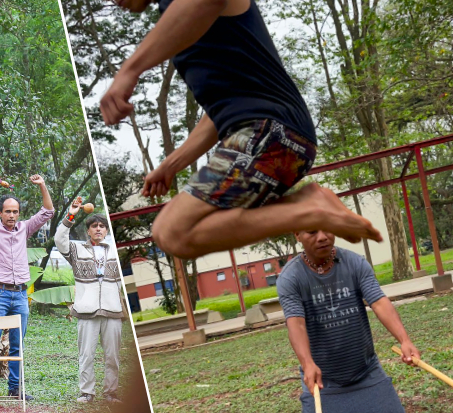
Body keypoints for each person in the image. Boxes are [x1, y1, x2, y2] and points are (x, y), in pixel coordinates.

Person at [102, 0, 381, 260]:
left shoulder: (190, 8)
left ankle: (310, 214)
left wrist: (130, 70)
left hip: (269, 131)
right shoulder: (177, 14)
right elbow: (221, 111)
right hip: (267, 132)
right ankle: (309, 201)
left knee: (174, 232)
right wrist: (171, 164)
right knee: (174, 228)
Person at [277, 229, 420, 413]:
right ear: (297, 234)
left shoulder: (355, 262)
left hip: (367, 373)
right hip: (322, 382)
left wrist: (404, 340)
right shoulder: (291, 277)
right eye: (312, 232)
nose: (322, 237)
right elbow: (296, 323)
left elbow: (378, 302)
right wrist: (307, 364)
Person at [0, 172, 54, 400]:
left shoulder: (25, 228)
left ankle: (15, 389)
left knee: (17, 346)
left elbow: (48, 212)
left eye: (15, 211)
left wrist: (42, 185)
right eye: (8, 211)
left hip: (20, 295)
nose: (12, 215)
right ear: (0, 213)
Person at [54, 199, 124, 403]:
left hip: (112, 311)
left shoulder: (114, 251)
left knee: (112, 357)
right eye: (95, 226)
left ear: (106, 230)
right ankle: (87, 392)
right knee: (86, 355)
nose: (99, 229)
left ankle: (111, 393)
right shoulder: (77, 251)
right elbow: (59, 240)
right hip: (87, 311)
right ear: (88, 230)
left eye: (102, 226)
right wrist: (71, 215)